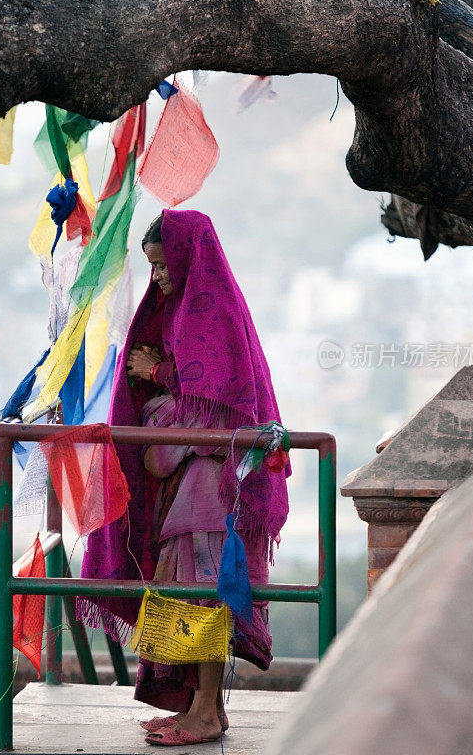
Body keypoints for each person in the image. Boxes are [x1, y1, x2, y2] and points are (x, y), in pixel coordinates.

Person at [77, 209, 290, 746]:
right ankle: (204, 709)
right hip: (194, 488)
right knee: (191, 594)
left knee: (204, 597)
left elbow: (214, 410)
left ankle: (203, 714)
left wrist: (156, 383)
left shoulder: (210, 311)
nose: (160, 279)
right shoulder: (184, 312)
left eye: (164, 266)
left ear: (187, 257)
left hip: (213, 490)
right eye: (153, 269)